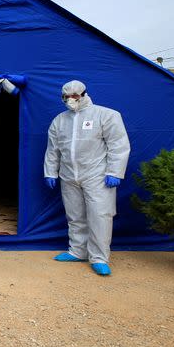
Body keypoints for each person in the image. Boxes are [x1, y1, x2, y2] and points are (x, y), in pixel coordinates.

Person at [44, 80, 130, 276]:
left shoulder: (106, 115)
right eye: (66, 97)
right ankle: (77, 251)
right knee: (75, 216)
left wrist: (114, 172)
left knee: (100, 216)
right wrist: (50, 172)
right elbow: (53, 150)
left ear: (84, 94)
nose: (70, 100)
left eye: (74, 96)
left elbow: (118, 145)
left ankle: (99, 257)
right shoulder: (59, 120)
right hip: (68, 175)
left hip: (97, 176)